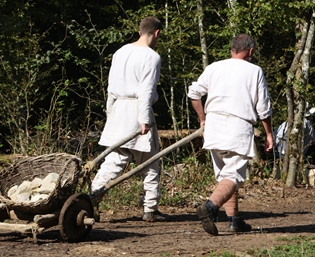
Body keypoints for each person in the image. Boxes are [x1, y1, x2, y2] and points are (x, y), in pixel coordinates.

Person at [187, 34, 273, 235]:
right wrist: (269, 134)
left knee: (226, 175)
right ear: (250, 51)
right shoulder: (255, 71)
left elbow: (193, 93)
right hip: (238, 125)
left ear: (232, 49)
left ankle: (234, 220)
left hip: (214, 125)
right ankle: (210, 207)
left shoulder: (214, 67)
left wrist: (203, 118)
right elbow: (264, 109)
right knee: (233, 175)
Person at [90, 16, 168, 222]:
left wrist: (110, 114)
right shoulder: (152, 57)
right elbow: (145, 91)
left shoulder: (120, 52)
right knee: (146, 161)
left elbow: (110, 88)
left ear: (140, 30)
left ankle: (91, 199)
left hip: (118, 110)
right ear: (157, 33)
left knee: (121, 160)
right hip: (136, 111)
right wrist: (144, 120)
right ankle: (149, 208)